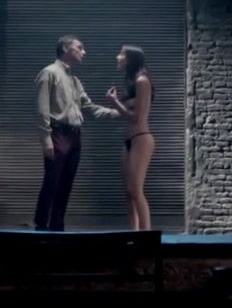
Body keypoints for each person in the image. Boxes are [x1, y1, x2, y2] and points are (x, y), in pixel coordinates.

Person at [33, 35, 119, 232]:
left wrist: (119, 112)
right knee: (52, 181)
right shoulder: (49, 73)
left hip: (74, 135)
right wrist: (46, 140)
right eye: (79, 48)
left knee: (66, 183)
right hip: (58, 133)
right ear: (65, 48)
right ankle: (41, 225)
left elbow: (89, 107)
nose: (84, 52)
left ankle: (57, 226)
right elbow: (42, 109)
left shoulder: (75, 81)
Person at [106, 45, 155, 230]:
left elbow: (137, 117)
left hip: (141, 138)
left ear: (130, 59)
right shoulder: (133, 82)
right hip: (129, 141)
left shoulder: (142, 81)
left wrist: (115, 102)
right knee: (128, 192)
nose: (118, 57)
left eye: (121, 54)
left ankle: (146, 235)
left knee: (135, 189)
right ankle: (133, 233)